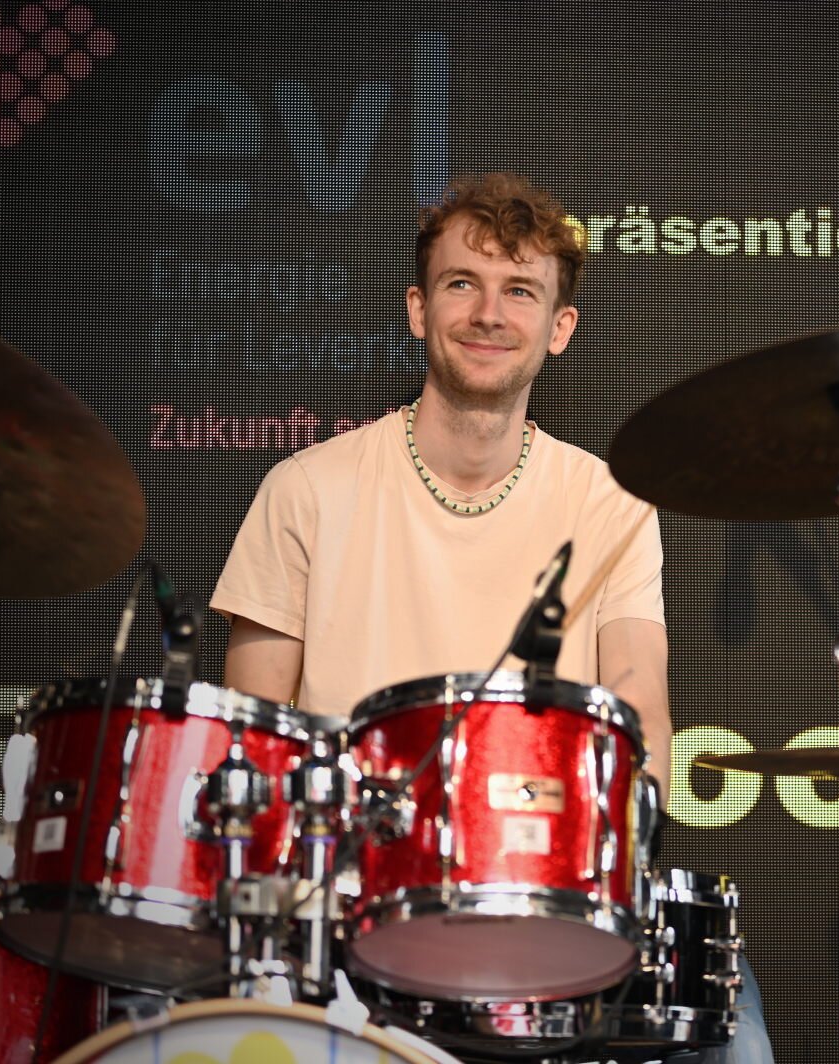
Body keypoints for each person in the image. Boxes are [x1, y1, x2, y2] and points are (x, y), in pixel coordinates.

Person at [212, 172, 771, 1063]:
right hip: (355, 907)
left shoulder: (612, 500)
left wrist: (622, 869)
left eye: (520, 291)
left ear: (560, 327)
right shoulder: (305, 489)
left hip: (547, 888)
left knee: (726, 1020)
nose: (487, 314)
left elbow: (642, 706)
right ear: (418, 309)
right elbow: (252, 737)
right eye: (462, 283)